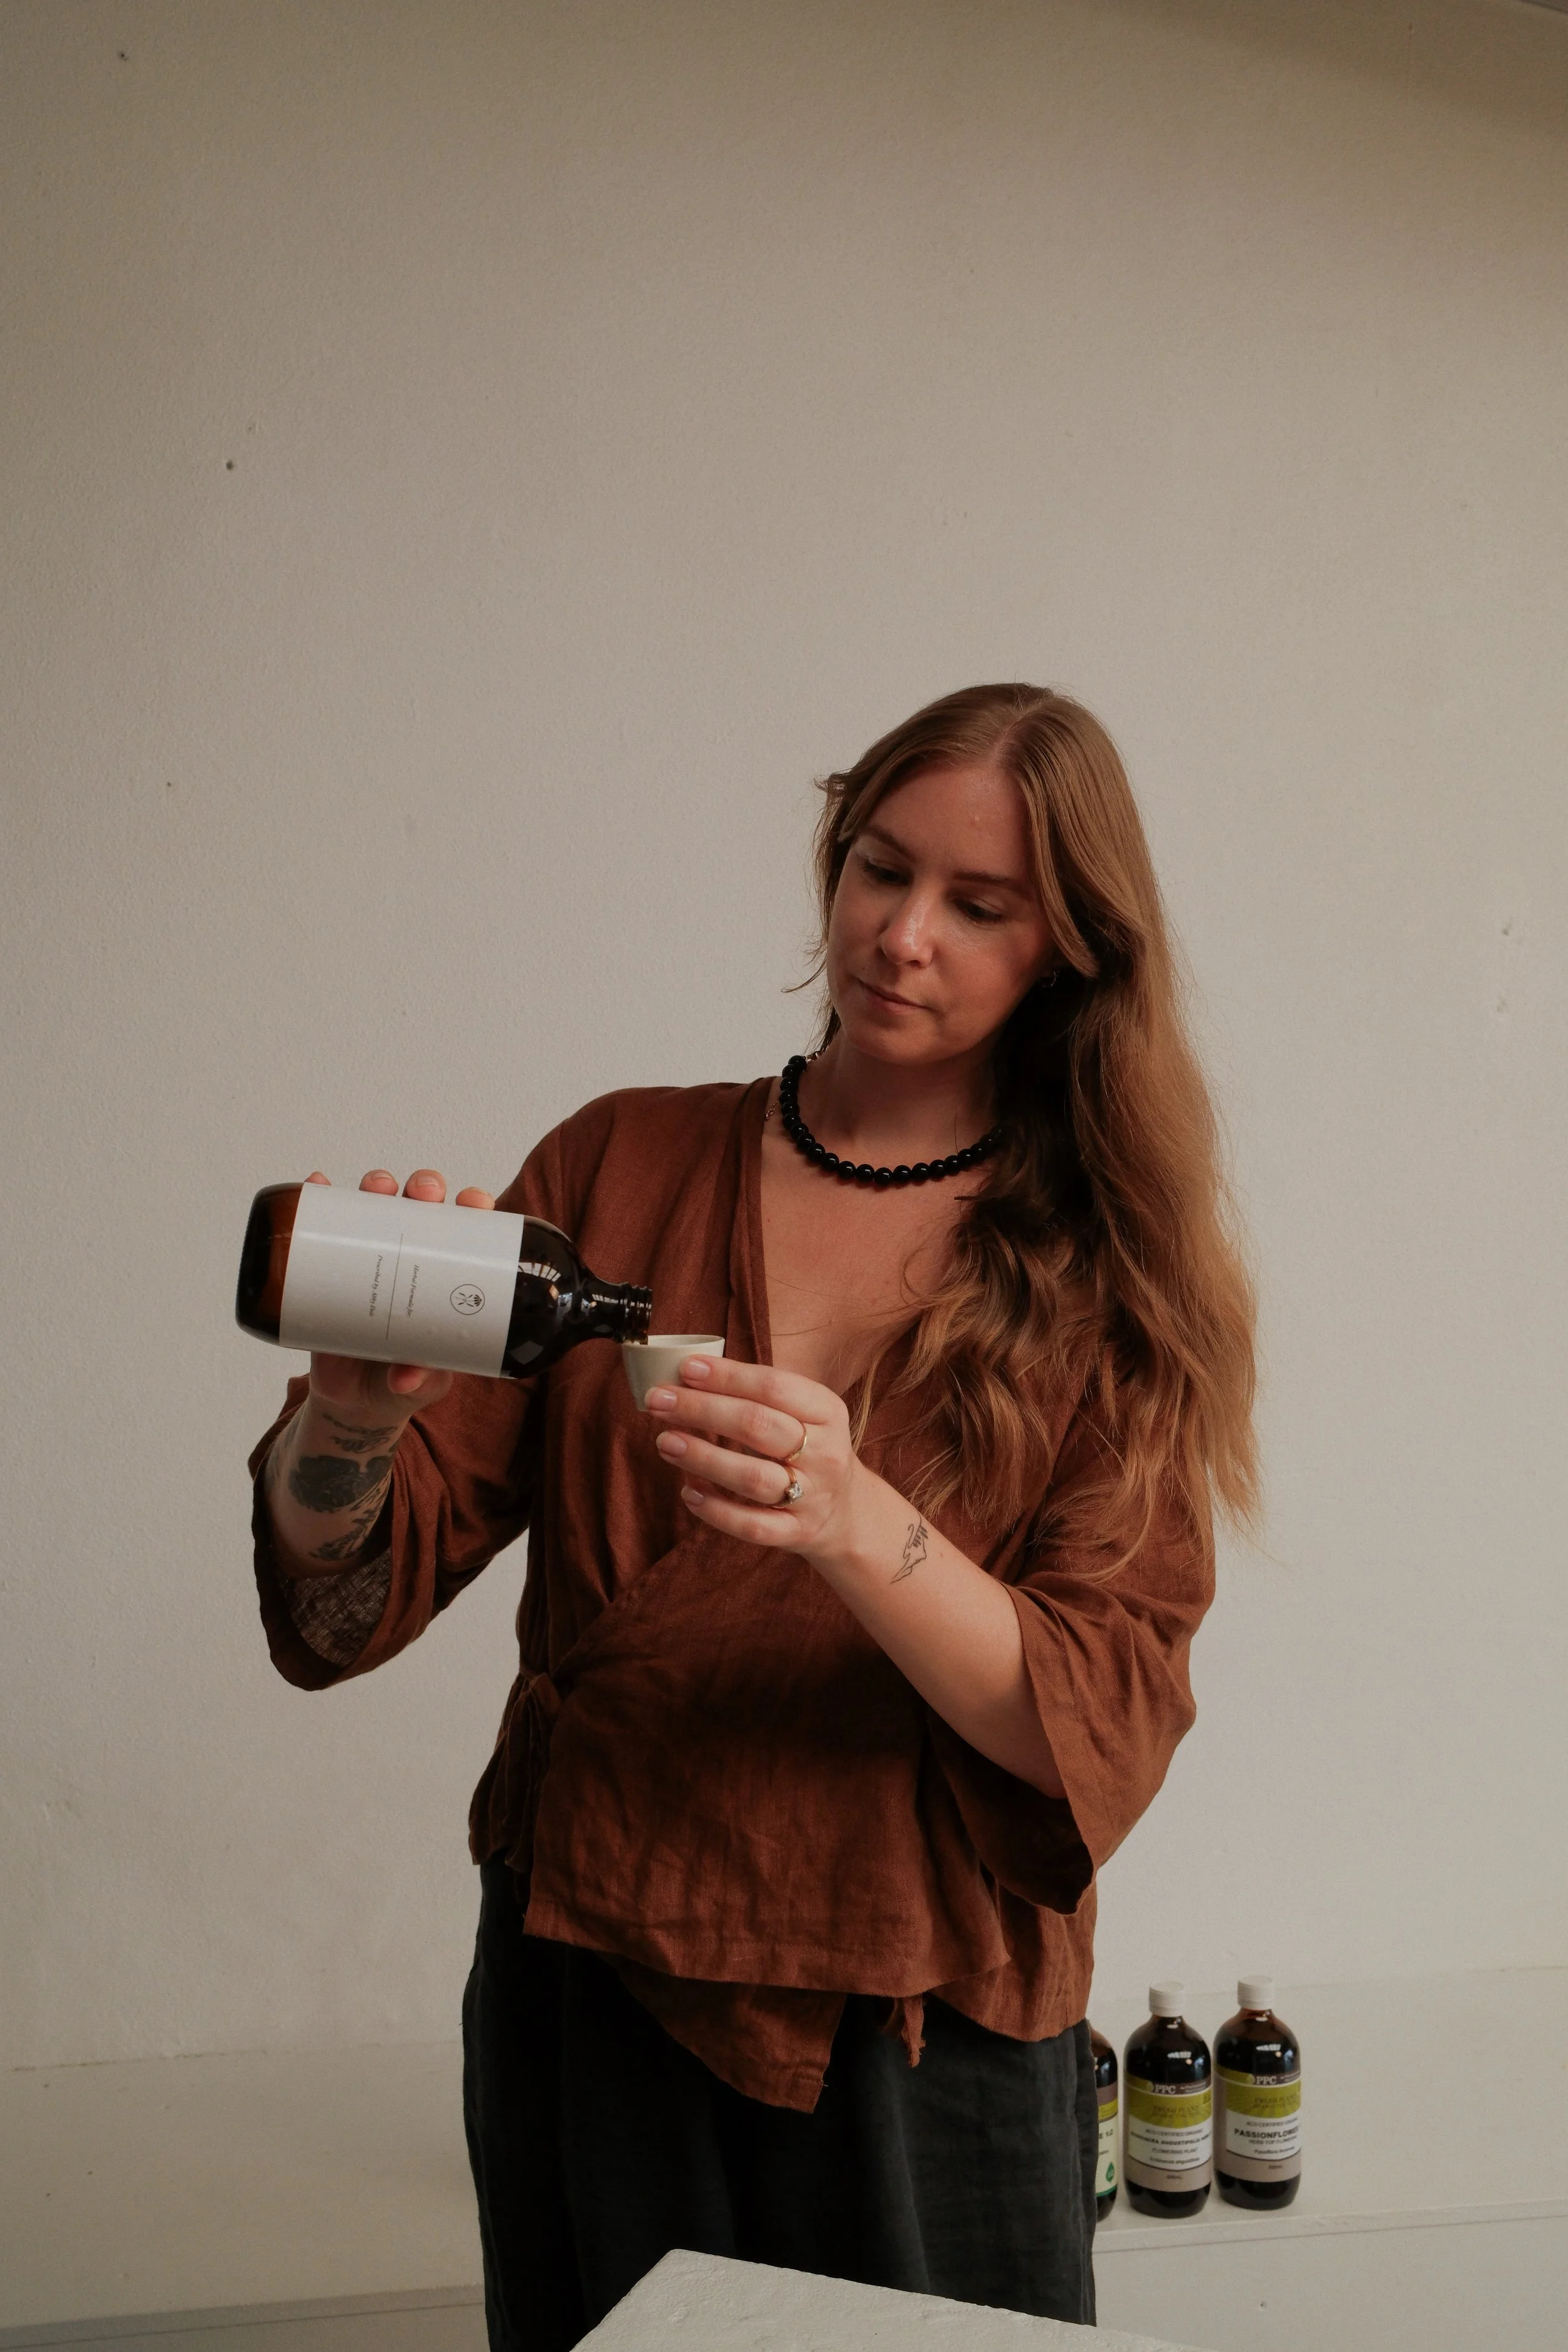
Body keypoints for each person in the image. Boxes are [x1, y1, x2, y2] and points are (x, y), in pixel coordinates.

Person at [250, 683, 1257, 2349]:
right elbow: (345, 1603)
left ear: (1067, 954)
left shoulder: (1107, 1274)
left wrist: (855, 1522)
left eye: (979, 905)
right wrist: (350, 1426)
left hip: (924, 2034)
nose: (903, 934)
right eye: (881, 868)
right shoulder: (614, 1168)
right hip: (588, 1982)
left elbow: (1090, 1723)